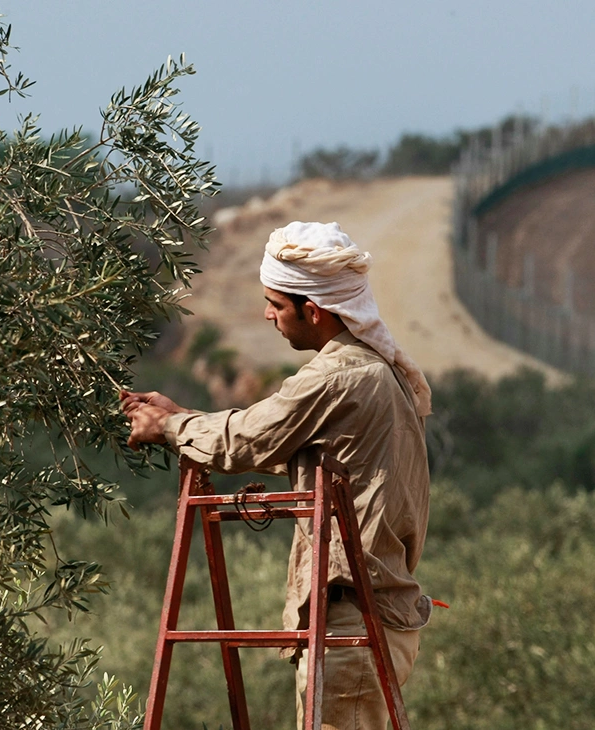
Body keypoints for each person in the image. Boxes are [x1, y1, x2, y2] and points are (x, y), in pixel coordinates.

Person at [122, 220, 432, 730]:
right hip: (363, 617)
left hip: (352, 619)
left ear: (313, 309)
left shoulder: (340, 376)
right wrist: (183, 419)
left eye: (276, 303)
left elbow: (248, 439)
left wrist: (171, 427)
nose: (268, 314)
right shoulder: (371, 370)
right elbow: (277, 440)